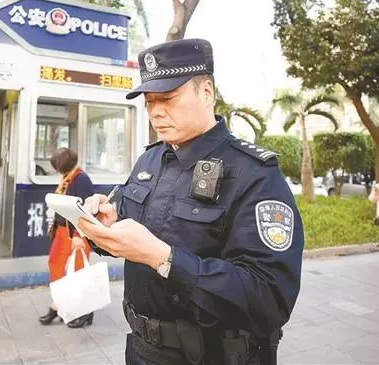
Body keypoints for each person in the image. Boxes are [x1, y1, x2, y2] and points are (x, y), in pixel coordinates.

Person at [79, 38, 304, 365]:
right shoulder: (149, 161)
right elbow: (131, 231)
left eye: (168, 98)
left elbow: (269, 297)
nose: (155, 111)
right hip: (140, 351)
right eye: (149, 101)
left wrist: (164, 258)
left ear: (207, 92)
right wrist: (107, 225)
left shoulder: (253, 174)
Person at [39, 147, 95, 328]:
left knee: (79, 271)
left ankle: (85, 310)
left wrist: (78, 235)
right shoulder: (67, 177)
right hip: (62, 231)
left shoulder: (81, 179)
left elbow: (85, 210)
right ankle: (59, 303)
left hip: (77, 233)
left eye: (57, 167)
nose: (57, 170)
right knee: (55, 263)